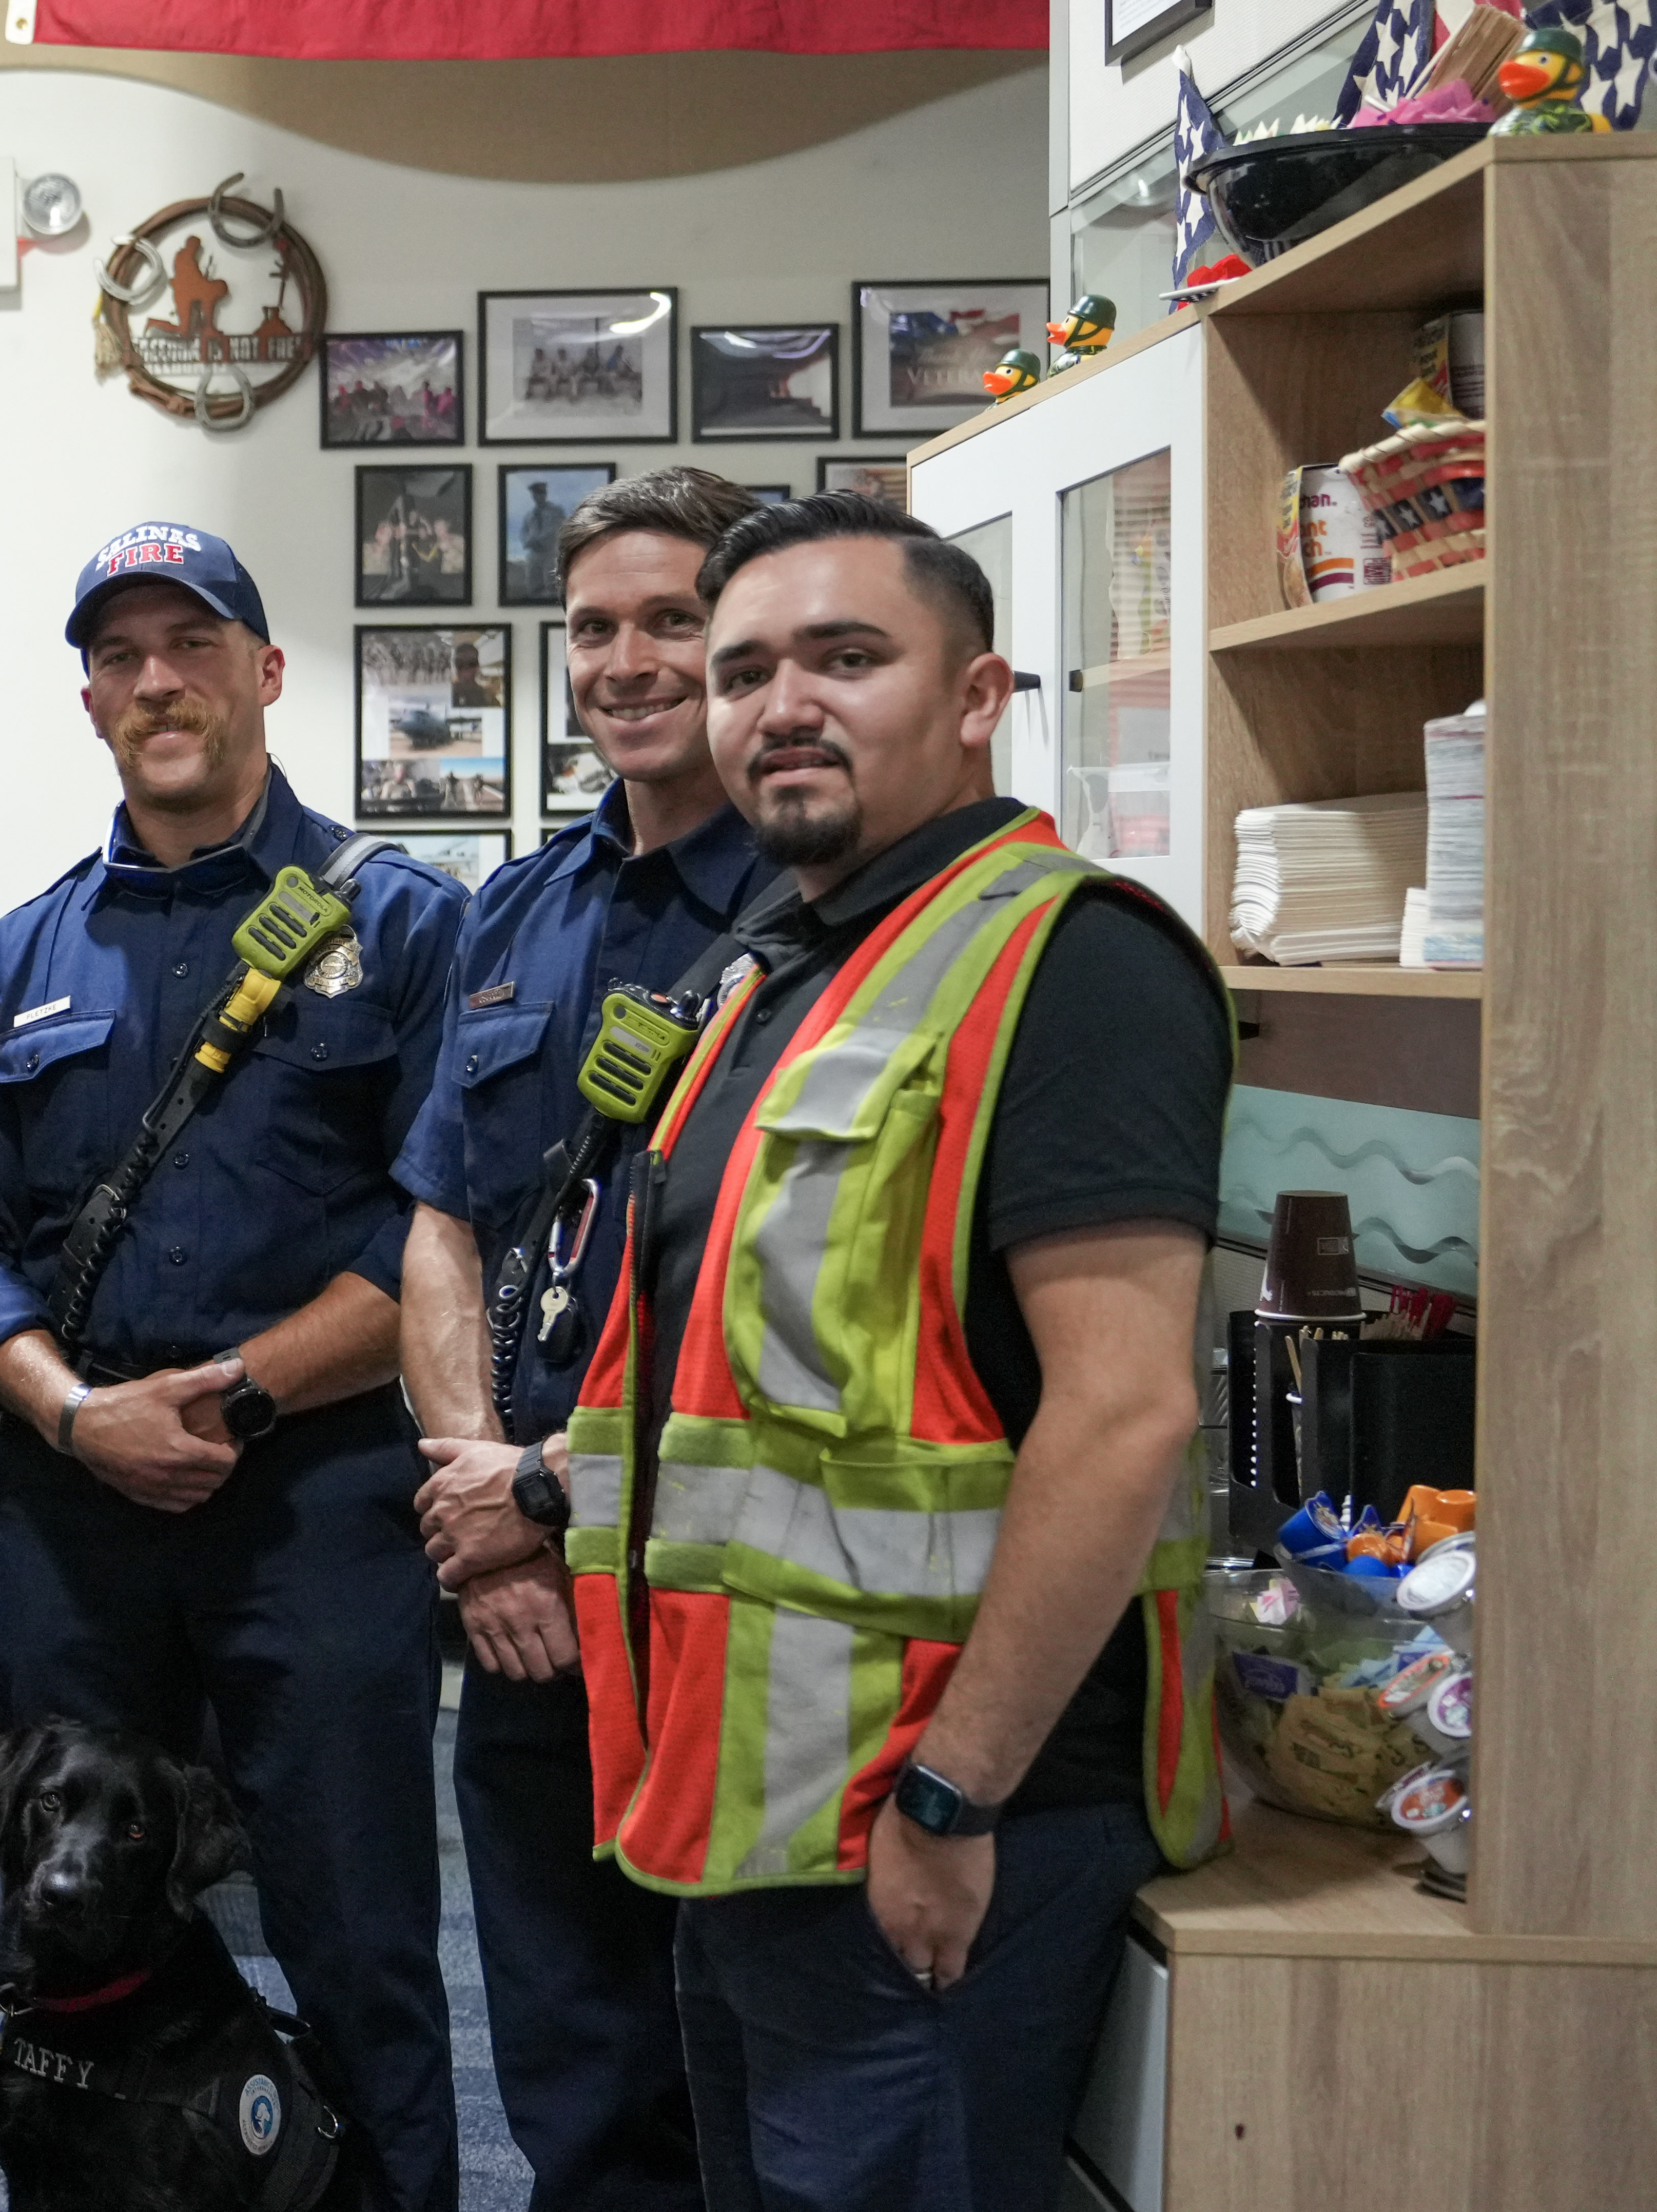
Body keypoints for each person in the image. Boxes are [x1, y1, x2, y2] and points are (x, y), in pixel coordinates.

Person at [560, 496, 1230, 2211]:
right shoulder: (787, 969)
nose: (785, 703)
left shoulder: (1067, 961)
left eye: (848, 659)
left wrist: (951, 1795)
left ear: (977, 693)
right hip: (758, 1814)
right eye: (749, 670)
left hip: (945, 1824)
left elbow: (1125, 1407)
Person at [0, 523, 470, 2212]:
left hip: (319, 1510)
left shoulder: (404, 925)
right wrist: (79, 1415)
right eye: (121, 655)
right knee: (72, 1945)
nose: (159, 680)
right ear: (89, 699)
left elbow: (443, 1234)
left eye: (195, 642)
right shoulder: (20, 957)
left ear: (267, 670)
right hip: (78, 1521)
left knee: (356, 1937)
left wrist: (229, 1397)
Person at [397, 471, 766, 2212]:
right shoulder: (517, 910)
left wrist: (547, 1493)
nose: (627, 662)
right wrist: (482, 1515)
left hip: (739, 1592)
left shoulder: (820, 912)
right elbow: (443, 1226)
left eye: (672, 620)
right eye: (596, 628)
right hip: (532, 1596)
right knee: (569, 2063)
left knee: (744, 2074)